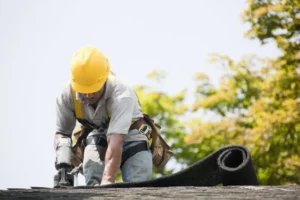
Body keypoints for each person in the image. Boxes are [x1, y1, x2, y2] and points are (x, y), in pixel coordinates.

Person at [54, 46, 153, 186]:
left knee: (138, 184)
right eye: (83, 90)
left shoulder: (121, 94)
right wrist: (63, 164)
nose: (88, 95)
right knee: (91, 166)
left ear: (104, 78)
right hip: (98, 134)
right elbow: (62, 133)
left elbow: (116, 140)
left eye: (93, 89)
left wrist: (107, 184)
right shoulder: (66, 94)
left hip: (132, 135)